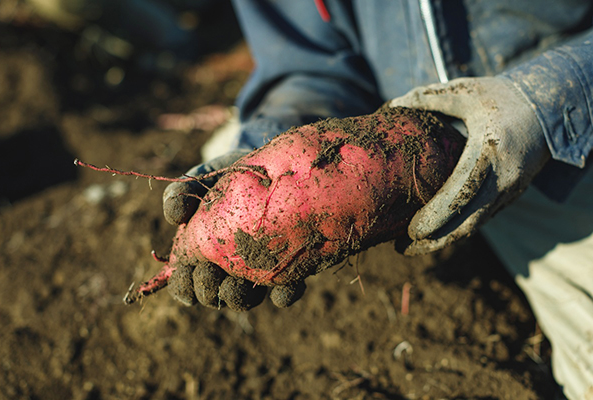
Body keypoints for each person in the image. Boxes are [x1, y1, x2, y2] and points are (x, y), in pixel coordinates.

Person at [162, 1, 593, 398]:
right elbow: (307, 63)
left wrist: (547, 97)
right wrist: (267, 139)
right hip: (402, 146)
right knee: (223, 143)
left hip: (566, 145)